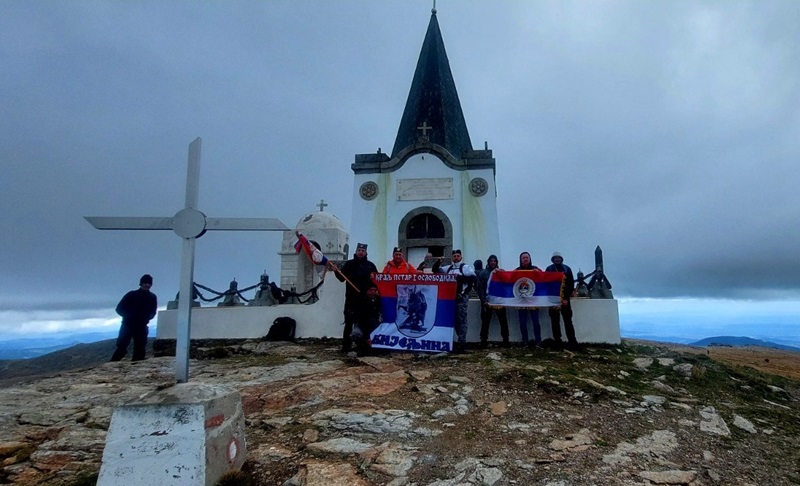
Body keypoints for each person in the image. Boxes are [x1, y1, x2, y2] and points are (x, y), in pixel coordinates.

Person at [334, 243, 378, 353]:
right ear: (356, 251)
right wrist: (336, 270)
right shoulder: (349, 264)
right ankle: (346, 346)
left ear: (366, 252)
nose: (361, 252)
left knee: (364, 323)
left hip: (365, 300)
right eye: (359, 250)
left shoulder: (370, 266)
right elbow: (341, 278)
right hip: (351, 298)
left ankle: (362, 346)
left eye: (363, 250)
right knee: (349, 323)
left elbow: (377, 282)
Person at [432, 249, 476, 353]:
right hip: (450, 299)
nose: (456, 258)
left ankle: (462, 344)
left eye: (458, 256)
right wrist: (438, 262)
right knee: (454, 320)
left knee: (462, 321)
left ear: (461, 257)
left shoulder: (465, 267)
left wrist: (460, 277)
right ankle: (457, 342)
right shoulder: (448, 268)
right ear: (452, 258)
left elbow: (474, 279)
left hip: (462, 297)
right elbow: (435, 270)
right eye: (454, 256)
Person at [110, 274, 158, 362]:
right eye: (145, 283)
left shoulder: (152, 297)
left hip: (142, 326)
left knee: (140, 348)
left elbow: (153, 311)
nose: (147, 285)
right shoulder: (131, 295)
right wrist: (128, 317)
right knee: (121, 346)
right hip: (128, 325)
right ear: (141, 283)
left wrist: (146, 319)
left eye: (149, 283)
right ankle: (112, 364)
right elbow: (119, 308)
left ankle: (136, 366)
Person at [546, 251, 578, 349]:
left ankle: (572, 341)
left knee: (568, 320)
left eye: (558, 257)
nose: (557, 259)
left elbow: (570, 284)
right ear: (553, 259)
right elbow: (546, 284)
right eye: (555, 258)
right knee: (555, 321)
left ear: (561, 259)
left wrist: (566, 298)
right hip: (553, 299)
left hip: (565, 300)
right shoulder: (549, 269)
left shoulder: (567, 269)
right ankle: (557, 341)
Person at [476, 254, 509, 348]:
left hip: (499, 301)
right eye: (491, 261)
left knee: (503, 321)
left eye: (494, 261)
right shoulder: (483, 273)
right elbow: (480, 288)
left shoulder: (500, 273)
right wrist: (483, 301)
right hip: (487, 301)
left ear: (497, 262)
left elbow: (505, 285)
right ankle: (483, 340)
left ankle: (506, 340)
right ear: (488, 262)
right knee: (485, 322)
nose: (493, 262)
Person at [516, 251, 542, 347]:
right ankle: (525, 341)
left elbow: (545, 277)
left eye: (527, 257)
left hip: (533, 301)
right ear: (521, 260)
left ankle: (538, 341)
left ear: (530, 259)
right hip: (521, 301)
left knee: (536, 322)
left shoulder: (535, 269)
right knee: (522, 322)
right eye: (523, 258)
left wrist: (538, 273)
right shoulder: (517, 270)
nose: (525, 259)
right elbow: (508, 277)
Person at [351, 284, 382, 356]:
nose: (373, 292)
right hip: (362, 324)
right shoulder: (361, 300)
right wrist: (367, 336)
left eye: (375, 290)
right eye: (371, 290)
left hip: (374, 325)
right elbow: (360, 318)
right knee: (356, 334)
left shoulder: (378, 301)